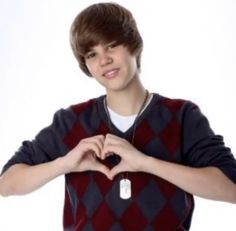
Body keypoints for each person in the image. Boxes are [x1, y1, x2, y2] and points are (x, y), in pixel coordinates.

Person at [0, 2, 236, 231]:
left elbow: (231, 188)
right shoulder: (71, 121)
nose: (104, 60)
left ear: (133, 44)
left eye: (111, 45)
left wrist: (146, 163)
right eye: (92, 54)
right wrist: (64, 164)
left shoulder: (182, 116)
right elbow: (7, 183)